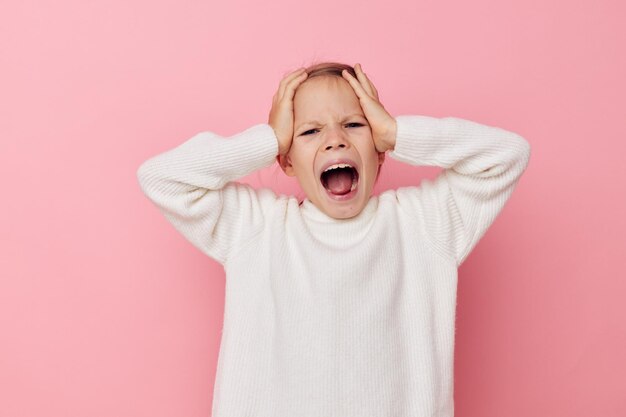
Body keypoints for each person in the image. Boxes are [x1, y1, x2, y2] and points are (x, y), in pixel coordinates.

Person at [136, 61, 531, 417]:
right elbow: (161, 178)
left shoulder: (423, 224)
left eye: (355, 125)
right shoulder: (257, 228)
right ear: (287, 161)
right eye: (309, 131)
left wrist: (396, 132)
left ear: (379, 150)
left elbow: (508, 154)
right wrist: (268, 140)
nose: (336, 140)